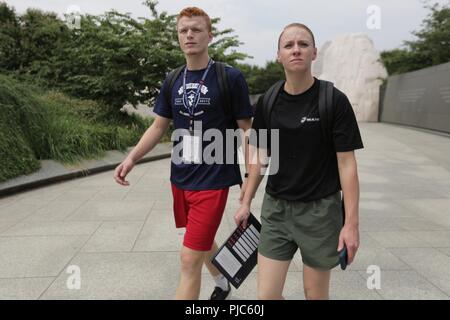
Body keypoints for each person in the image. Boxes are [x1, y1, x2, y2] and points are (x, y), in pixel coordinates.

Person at [114, 7, 253, 300]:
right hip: (180, 178)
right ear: (177, 36)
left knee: (188, 259)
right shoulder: (172, 79)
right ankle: (222, 280)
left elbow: (247, 131)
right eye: (183, 30)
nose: (189, 35)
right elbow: (158, 126)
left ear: (209, 36)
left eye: (196, 29)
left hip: (213, 181)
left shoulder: (229, 77)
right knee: (199, 239)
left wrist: (251, 185)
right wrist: (131, 158)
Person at [234, 23, 364, 300]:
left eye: (303, 44)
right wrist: (246, 202)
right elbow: (260, 157)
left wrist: (350, 224)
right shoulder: (269, 100)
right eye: (289, 45)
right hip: (276, 211)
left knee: (314, 295)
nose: (296, 50)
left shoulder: (333, 101)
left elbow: (347, 165)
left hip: (320, 212)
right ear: (278, 55)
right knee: (266, 296)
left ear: (314, 53)